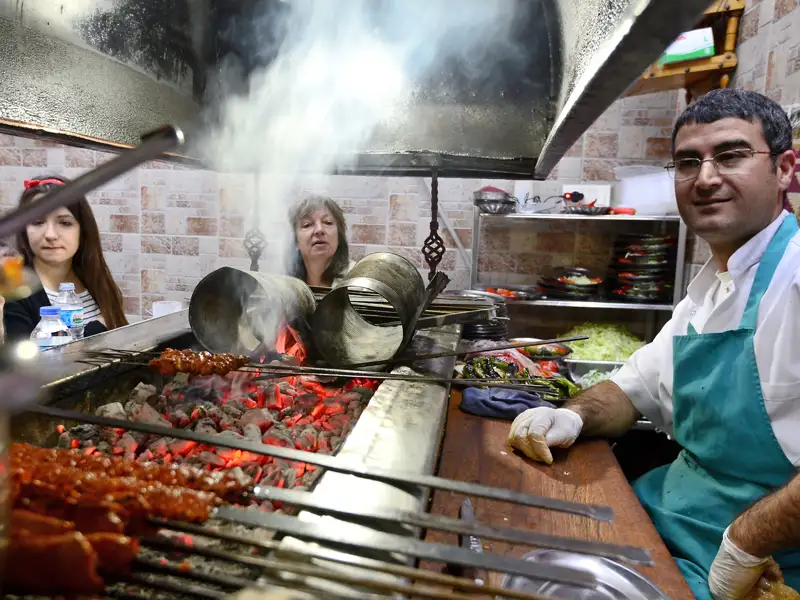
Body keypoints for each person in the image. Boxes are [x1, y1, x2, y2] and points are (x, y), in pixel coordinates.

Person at [507, 89, 800, 600]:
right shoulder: (708, 289)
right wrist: (571, 415)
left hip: (761, 571)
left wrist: (745, 544)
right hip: (665, 527)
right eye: (689, 163)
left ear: (784, 169)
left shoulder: (793, 280)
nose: (706, 178)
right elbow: (630, 389)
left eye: (730, 155)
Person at [2, 175, 128, 340]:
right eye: (38, 222)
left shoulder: (100, 283)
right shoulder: (15, 291)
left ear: (82, 230)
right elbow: (31, 362)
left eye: (65, 223)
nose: (50, 235)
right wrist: (97, 328)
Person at [289, 195, 352, 286]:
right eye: (307, 225)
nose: (319, 230)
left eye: (328, 222)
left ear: (339, 235)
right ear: (295, 240)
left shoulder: (359, 281)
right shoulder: (284, 285)